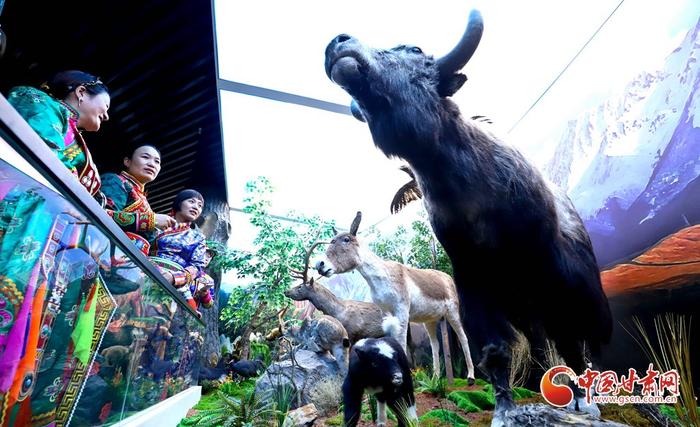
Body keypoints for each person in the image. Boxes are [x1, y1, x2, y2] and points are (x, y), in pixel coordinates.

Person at [7, 70, 110, 198]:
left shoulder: (77, 140)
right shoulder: (36, 100)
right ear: (81, 92)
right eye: (106, 106)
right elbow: (43, 150)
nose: (106, 116)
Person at [101, 145, 176, 254]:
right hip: (105, 251)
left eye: (157, 162)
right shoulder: (115, 181)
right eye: (145, 157)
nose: (151, 164)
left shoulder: (145, 202)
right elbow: (102, 215)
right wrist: (152, 220)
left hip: (129, 262)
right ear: (127, 161)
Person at [150, 189, 215, 312]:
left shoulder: (198, 238)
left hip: (174, 286)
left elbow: (196, 267)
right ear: (179, 203)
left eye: (200, 206)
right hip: (146, 272)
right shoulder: (156, 224)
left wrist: (174, 277)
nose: (196, 207)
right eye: (191, 202)